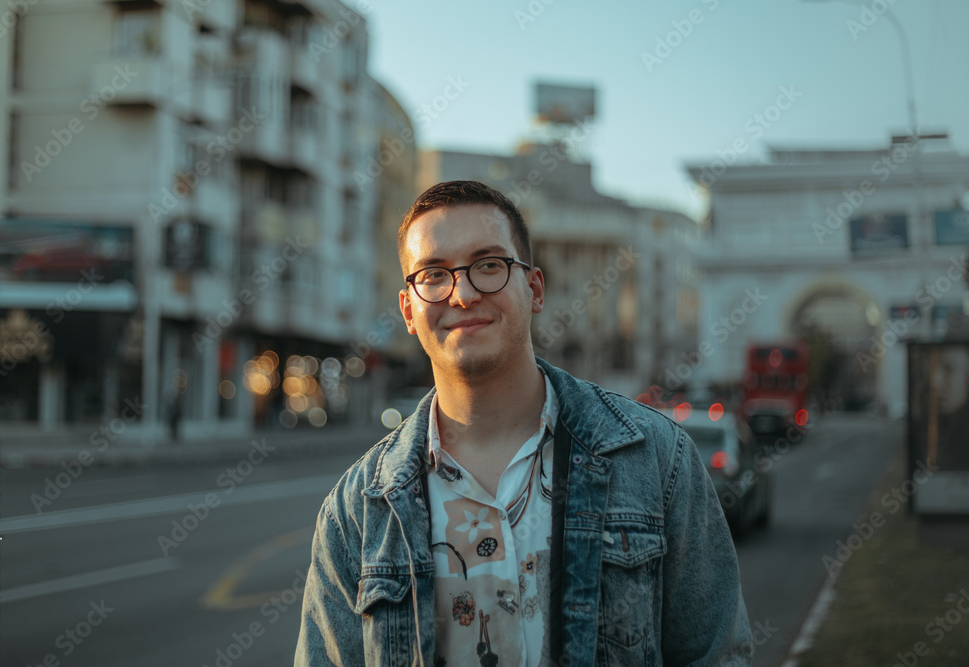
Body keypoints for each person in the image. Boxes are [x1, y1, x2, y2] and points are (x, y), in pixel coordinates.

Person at [297, 180, 753, 665]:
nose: (463, 294)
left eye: (489, 265)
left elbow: (717, 655)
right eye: (433, 274)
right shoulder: (355, 512)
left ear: (534, 289)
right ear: (409, 310)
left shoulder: (658, 459)